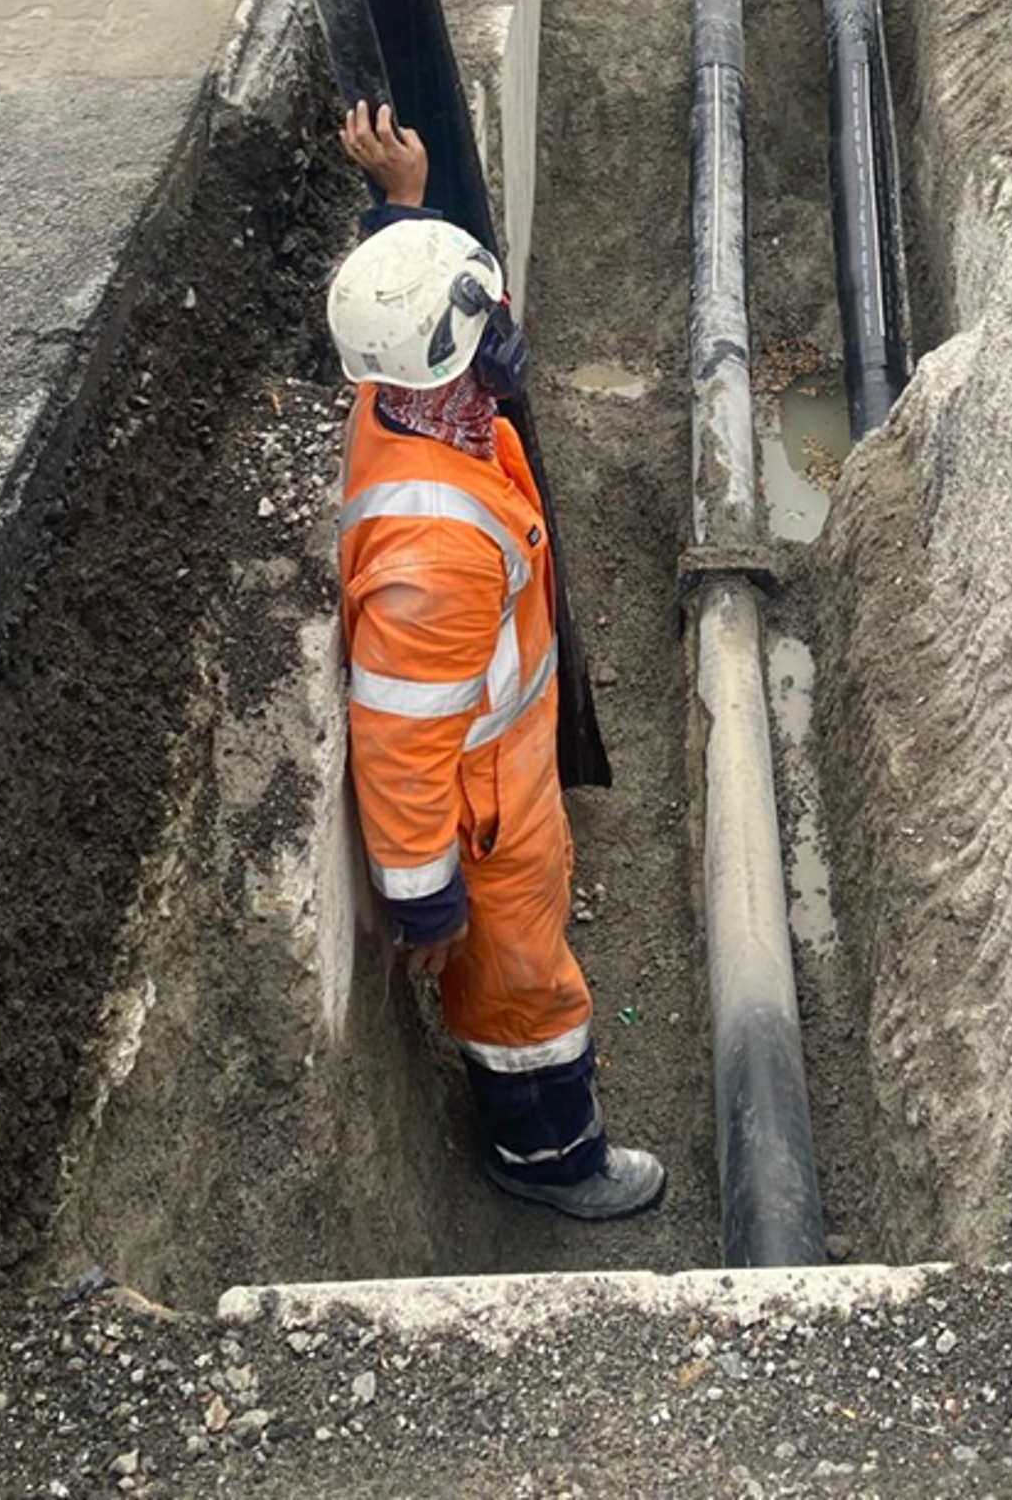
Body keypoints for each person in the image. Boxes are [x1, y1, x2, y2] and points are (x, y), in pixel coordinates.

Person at [329, 99, 667, 1222]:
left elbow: (406, 314)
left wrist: (402, 209)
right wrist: (428, 909)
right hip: (486, 818)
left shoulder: (408, 401)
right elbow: (400, 744)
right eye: (489, 316)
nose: (506, 328)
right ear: (466, 350)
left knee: (523, 960)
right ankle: (548, 1158)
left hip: (501, 775)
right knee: (523, 984)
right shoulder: (438, 556)